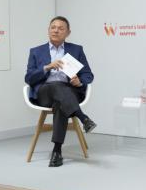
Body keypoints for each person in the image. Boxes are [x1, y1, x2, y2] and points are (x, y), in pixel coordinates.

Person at [25, 16, 97, 167]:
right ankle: (83, 118)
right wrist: (47, 67)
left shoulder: (76, 50)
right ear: (48, 30)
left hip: (69, 92)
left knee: (60, 103)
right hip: (45, 93)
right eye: (53, 27)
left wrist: (80, 81)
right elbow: (29, 78)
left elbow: (88, 74)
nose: (56, 30)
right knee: (56, 86)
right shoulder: (36, 51)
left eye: (60, 28)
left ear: (68, 32)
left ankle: (57, 151)